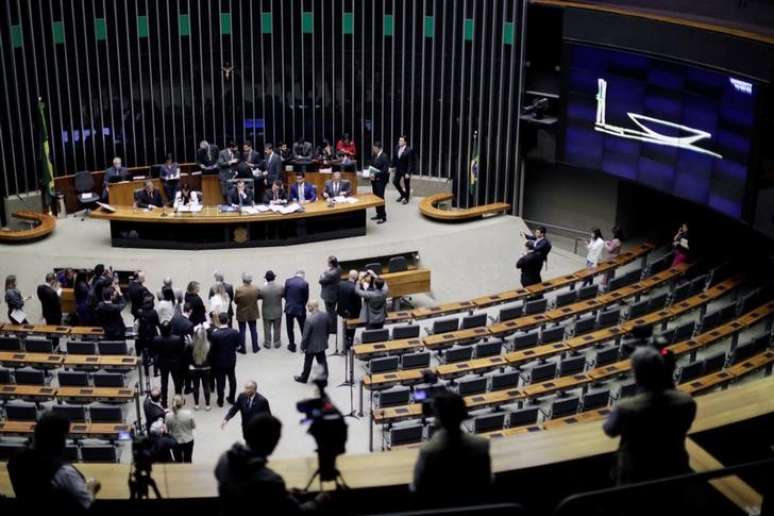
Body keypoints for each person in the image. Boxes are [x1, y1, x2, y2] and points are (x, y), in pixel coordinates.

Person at [603, 346, 697, 484]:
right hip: (675, 469)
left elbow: (609, 430)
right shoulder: (687, 401)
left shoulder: (626, 408)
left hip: (636, 476)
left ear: (636, 375)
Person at [215, 414, 326, 514]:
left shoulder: (224, 459)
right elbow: (297, 513)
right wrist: (320, 500)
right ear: (272, 444)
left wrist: (283, 493)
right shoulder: (271, 481)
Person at [8, 412, 101, 513]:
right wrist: (92, 487)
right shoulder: (64, 472)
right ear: (60, 440)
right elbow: (86, 503)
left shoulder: (15, 458)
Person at [411, 391, 491, 506]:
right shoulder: (482, 445)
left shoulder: (428, 451)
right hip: (473, 507)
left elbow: (417, 487)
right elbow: (486, 482)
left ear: (438, 419)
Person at [294, 301, 329, 383]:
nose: (307, 308)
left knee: (308, 363)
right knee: (322, 361)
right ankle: (324, 376)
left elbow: (305, 336)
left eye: (308, 306)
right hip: (322, 343)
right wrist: (325, 339)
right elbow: (328, 329)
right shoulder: (325, 315)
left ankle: (304, 378)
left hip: (311, 346)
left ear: (312, 307)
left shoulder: (309, 319)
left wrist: (302, 347)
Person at [209, 313, 240, 406]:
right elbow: (238, 346)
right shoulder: (234, 332)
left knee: (220, 381)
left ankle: (220, 400)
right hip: (231, 359)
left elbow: (211, 349)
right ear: (228, 320)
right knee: (232, 379)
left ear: (219, 321)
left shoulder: (215, 334)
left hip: (218, 361)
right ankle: (232, 397)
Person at [154, 321, 185, 407]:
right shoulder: (177, 339)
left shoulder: (157, 339)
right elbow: (180, 351)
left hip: (163, 363)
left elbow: (155, 351)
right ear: (171, 329)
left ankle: (164, 402)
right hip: (174, 363)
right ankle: (178, 401)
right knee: (177, 382)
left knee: (164, 383)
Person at [234, 273, 261, 354]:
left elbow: (235, 301)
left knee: (242, 331)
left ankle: (243, 349)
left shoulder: (239, 289)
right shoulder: (256, 288)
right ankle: (255, 347)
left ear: (243, 280)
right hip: (253, 312)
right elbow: (259, 297)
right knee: (253, 330)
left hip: (242, 312)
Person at [165, 394, 196, 463]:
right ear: (183, 403)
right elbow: (193, 426)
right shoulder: (189, 414)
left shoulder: (168, 416)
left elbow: (167, 429)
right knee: (188, 459)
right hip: (188, 440)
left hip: (175, 441)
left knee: (178, 460)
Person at [283, 271, 309, 353]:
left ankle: (292, 346)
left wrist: (289, 302)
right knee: (303, 328)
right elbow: (306, 297)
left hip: (289, 307)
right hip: (300, 308)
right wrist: (302, 304)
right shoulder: (305, 283)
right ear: (303, 276)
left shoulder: (288, 281)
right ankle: (304, 346)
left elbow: (285, 294)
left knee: (290, 328)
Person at [187, 325, 212, 410]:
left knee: (196, 386)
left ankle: (197, 405)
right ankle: (207, 405)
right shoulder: (209, 345)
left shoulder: (191, 345)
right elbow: (212, 357)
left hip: (194, 368)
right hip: (206, 368)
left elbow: (189, 358)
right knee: (206, 386)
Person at [136, 295, 160, 378]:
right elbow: (157, 323)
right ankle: (155, 372)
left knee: (144, 353)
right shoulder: (153, 312)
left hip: (143, 335)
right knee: (155, 354)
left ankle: (146, 372)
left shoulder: (139, 311)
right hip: (152, 334)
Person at [337, 270, 362, 350]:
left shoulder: (340, 284)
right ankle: (349, 344)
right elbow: (358, 304)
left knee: (345, 326)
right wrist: (358, 314)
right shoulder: (355, 288)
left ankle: (345, 340)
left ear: (348, 275)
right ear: (356, 278)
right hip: (352, 313)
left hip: (342, 310)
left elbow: (338, 297)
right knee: (351, 329)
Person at [259, 270, 284, 349]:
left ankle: (267, 343)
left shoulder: (263, 289)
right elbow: (283, 295)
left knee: (267, 328)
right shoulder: (280, 287)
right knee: (277, 328)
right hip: (277, 311)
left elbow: (259, 297)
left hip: (266, 311)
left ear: (266, 279)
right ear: (274, 278)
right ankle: (277, 343)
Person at [319, 256, 341, 335]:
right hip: (335, 292)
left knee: (329, 312)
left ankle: (331, 328)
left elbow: (321, 280)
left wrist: (323, 274)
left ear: (331, 263)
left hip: (329, 295)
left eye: (328, 262)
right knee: (332, 311)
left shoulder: (330, 274)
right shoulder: (338, 268)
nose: (327, 263)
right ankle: (333, 326)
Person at [369, 141, 390, 224]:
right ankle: (378, 214)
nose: (373, 150)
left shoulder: (384, 156)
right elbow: (372, 165)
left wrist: (375, 174)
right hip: (374, 180)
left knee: (380, 197)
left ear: (379, 148)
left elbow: (385, 170)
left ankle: (383, 216)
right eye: (373, 148)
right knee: (375, 197)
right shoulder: (374, 155)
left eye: (375, 148)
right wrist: (370, 174)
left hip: (381, 180)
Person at [392, 135, 416, 204]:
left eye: (401, 141)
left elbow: (410, 163)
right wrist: (391, 166)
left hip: (406, 171)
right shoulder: (397, 147)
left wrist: (408, 173)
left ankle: (407, 198)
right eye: (399, 140)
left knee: (406, 185)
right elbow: (395, 158)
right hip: (398, 169)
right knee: (395, 182)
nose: (399, 142)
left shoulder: (409, 150)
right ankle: (403, 194)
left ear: (405, 142)